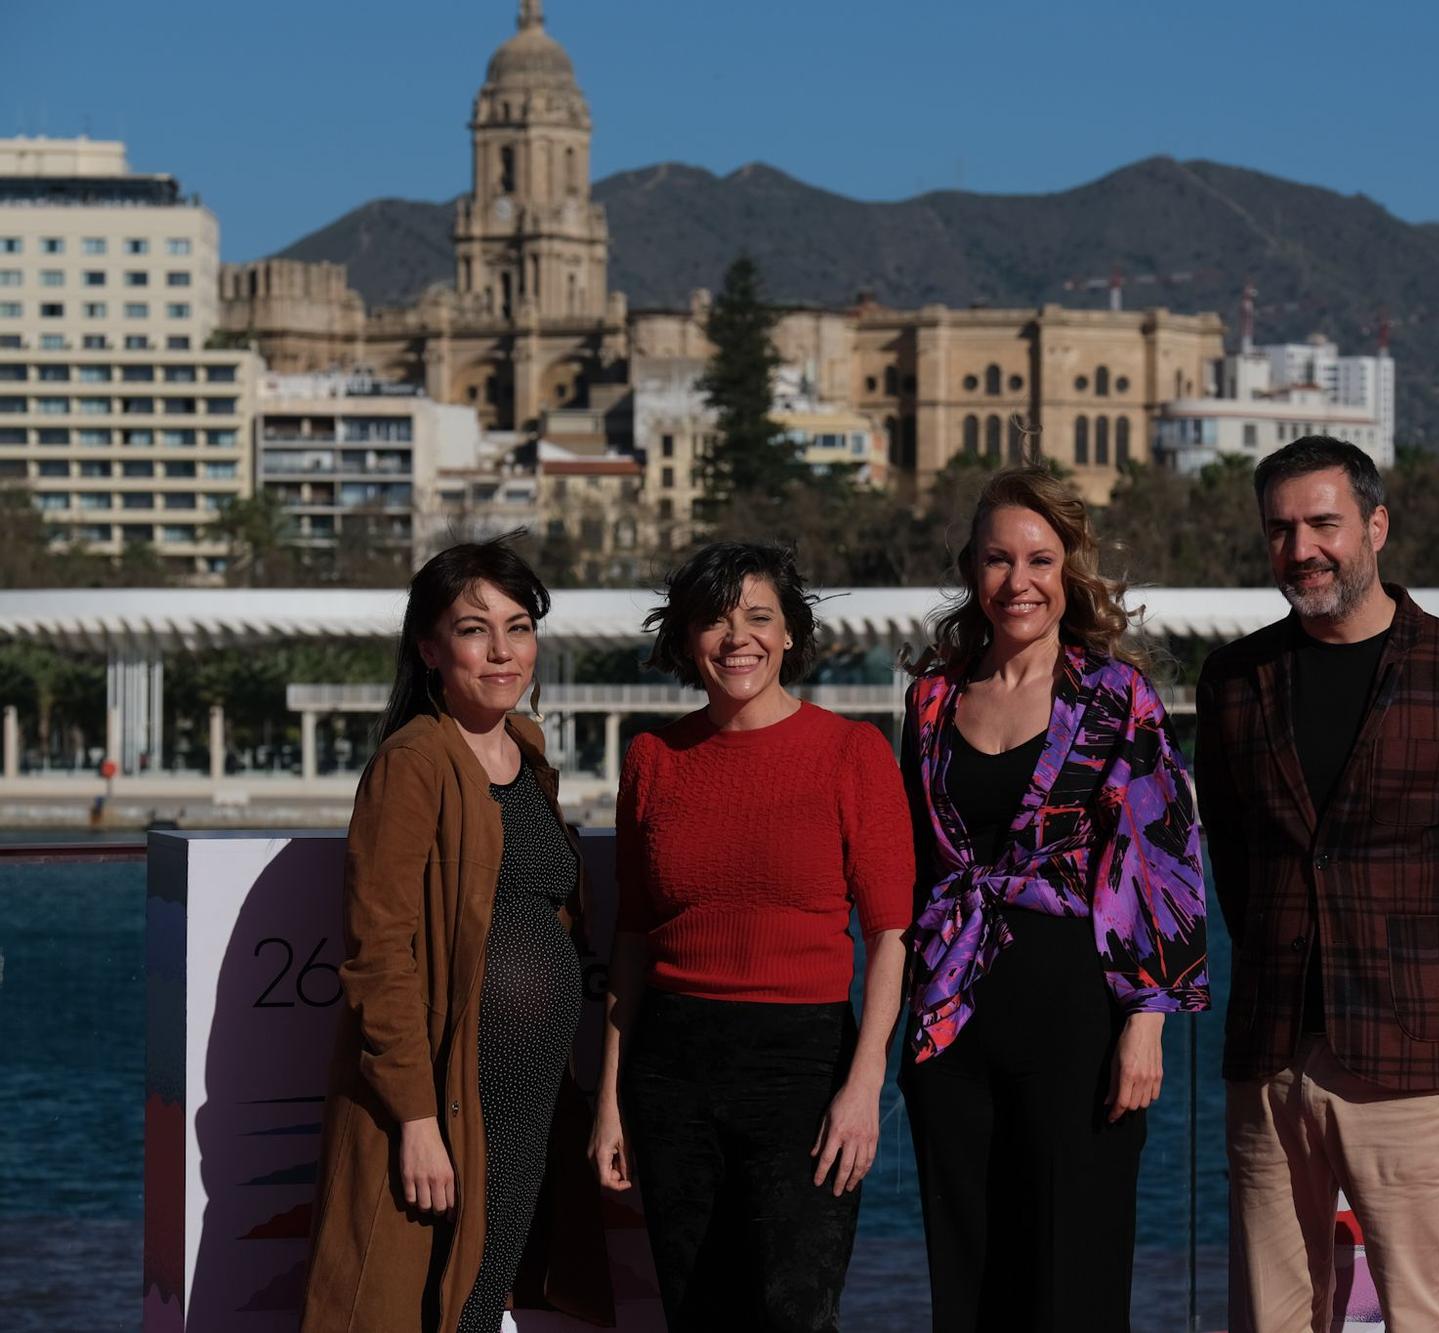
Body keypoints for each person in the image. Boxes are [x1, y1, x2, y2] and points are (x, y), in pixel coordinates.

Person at [1194, 436, 1439, 1331]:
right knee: (1269, 1316)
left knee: (1421, 1310)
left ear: (1377, 526)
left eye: (1324, 523)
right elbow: (1231, 854)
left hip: (1412, 1059)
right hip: (1270, 1057)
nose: (1302, 549)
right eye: (1281, 530)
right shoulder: (1235, 680)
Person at [900, 465, 1209, 1332]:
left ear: (1069, 570)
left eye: (1040, 559)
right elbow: (919, 869)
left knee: (1074, 1274)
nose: (1019, 581)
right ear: (973, 569)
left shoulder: (1118, 698)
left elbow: (1168, 865)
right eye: (999, 560)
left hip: (1079, 1019)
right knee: (967, 1276)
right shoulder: (929, 701)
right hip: (950, 1025)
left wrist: (1146, 1022)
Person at [591, 542, 914, 1332]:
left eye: (759, 617)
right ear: (686, 639)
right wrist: (609, 1100)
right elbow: (631, 939)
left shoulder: (853, 753)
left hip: (802, 1068)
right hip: (671, 1069)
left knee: (796, 1312)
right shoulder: (653, 759)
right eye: (714, 620)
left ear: (791, 635)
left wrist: (864, 1086)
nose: (739, 639)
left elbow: (892, 935)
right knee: (698, 1315)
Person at [301, 536, 611, 1333]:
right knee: (422, 1301)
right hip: (447, 1097)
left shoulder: (529, 752)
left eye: (519, 626)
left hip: (524, 1099)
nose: (503, 651)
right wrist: (414, 1120)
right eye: (476, 630)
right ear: (432, 648)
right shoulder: (414, 762)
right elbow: (379, 956)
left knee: (482, 1295)